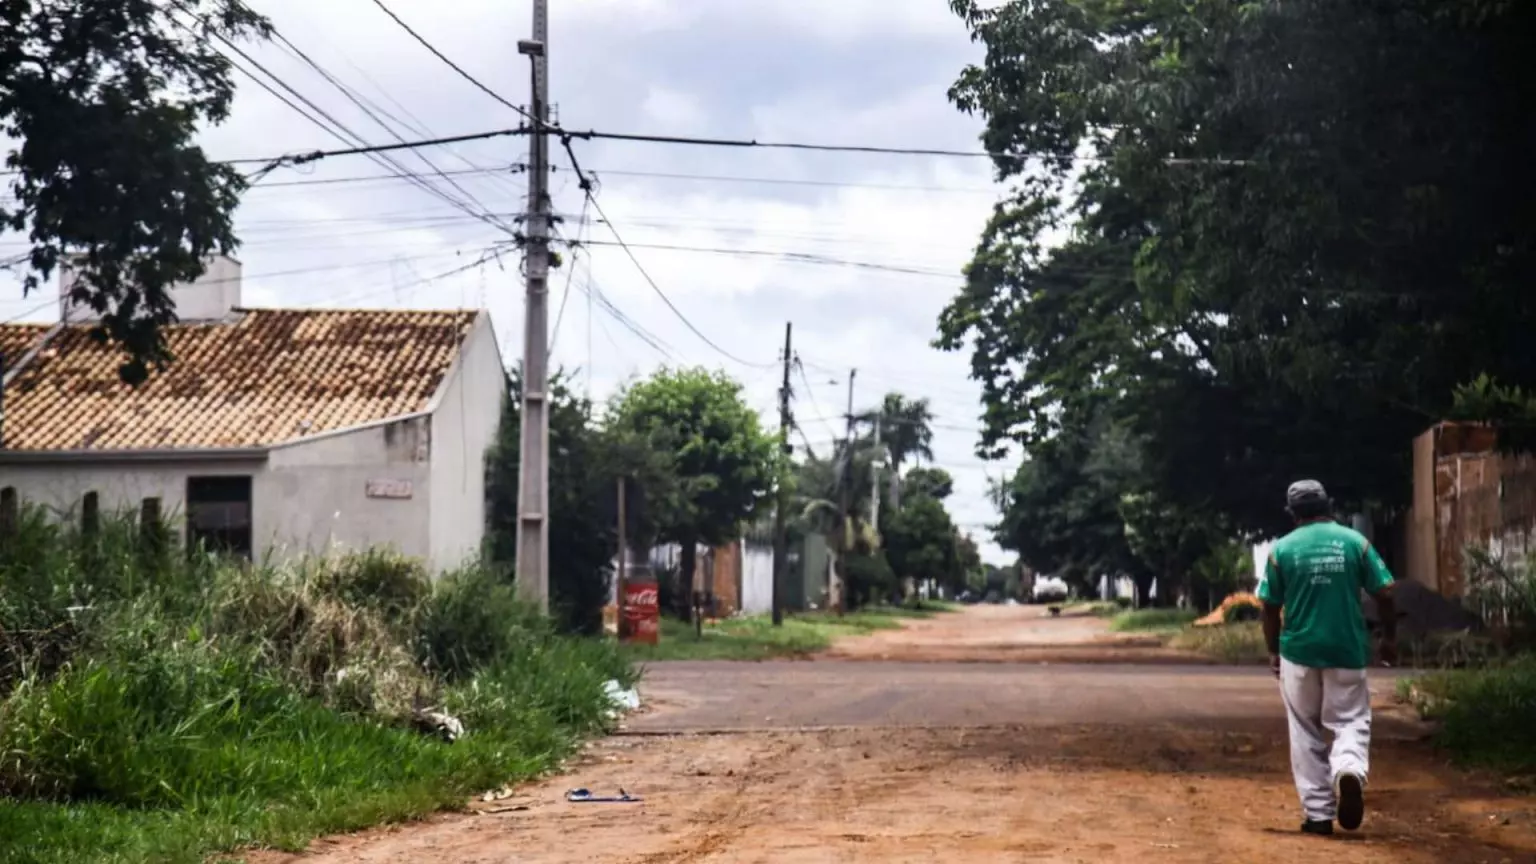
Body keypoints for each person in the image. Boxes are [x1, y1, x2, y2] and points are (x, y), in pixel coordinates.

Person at [1257, 479, 1398, 836]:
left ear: (1292, 513)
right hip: (1347, 648)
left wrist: (1274, 650)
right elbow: (1385, 591)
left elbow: (1269, 607)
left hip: (1299, 652)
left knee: (1304, 729)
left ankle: (1318, 814)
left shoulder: (1282, 550)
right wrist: (1389, 637)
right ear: (1329, 505)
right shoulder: (1355, 543)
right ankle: (1348, 768)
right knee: (1350, 719)